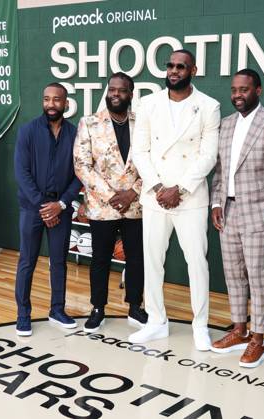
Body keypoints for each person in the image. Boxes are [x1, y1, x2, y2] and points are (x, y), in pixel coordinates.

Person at [129, 49, 220, 350]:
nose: (174, 71)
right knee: (152, 260)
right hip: (155, 196)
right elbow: (140, 150)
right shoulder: (148, 103)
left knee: (197, 262)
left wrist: (178, 189)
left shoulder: (209, 106)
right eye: (170, 66)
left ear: (193, 70)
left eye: (181, 66)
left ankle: (200, 325)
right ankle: (156, 321)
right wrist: (158, 187)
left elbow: (208, 155)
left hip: (190, 197)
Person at [210, 69, 264, 367]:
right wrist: (215, 203)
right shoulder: (225, 125)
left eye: (243, 89)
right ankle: (239, 330)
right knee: (232, 275)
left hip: (259, 214)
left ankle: (258, 339)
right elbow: (220, 171)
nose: (237, 95)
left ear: (258, 90)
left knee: (258, 278)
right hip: (228, 213)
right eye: (234, 89)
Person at [74, 72, 147, 332]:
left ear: (131, 94)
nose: (115, 94)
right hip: (101, 206)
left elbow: (152, 164)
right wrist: (111, 196)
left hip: (135, 205)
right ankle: (98, 308)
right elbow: (81, 165)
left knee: (137, 258)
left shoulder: (143, 123)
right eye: (112, 89)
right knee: (101, 259)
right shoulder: (90, 123)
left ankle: (135, 306)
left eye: (122, 90)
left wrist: (133, 192)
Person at [14, 82, 82, 336]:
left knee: (59, 262)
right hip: (33, 209)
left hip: (61, 208)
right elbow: (21, 173)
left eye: (56, 100)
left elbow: (80, 174)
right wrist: (44, 208)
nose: (51, 104)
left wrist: (61, 204)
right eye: (46, 99)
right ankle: (23, 315)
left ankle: (57, 310)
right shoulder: (27, 131)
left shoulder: (75, 135)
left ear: (66, 104)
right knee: (27, 262)